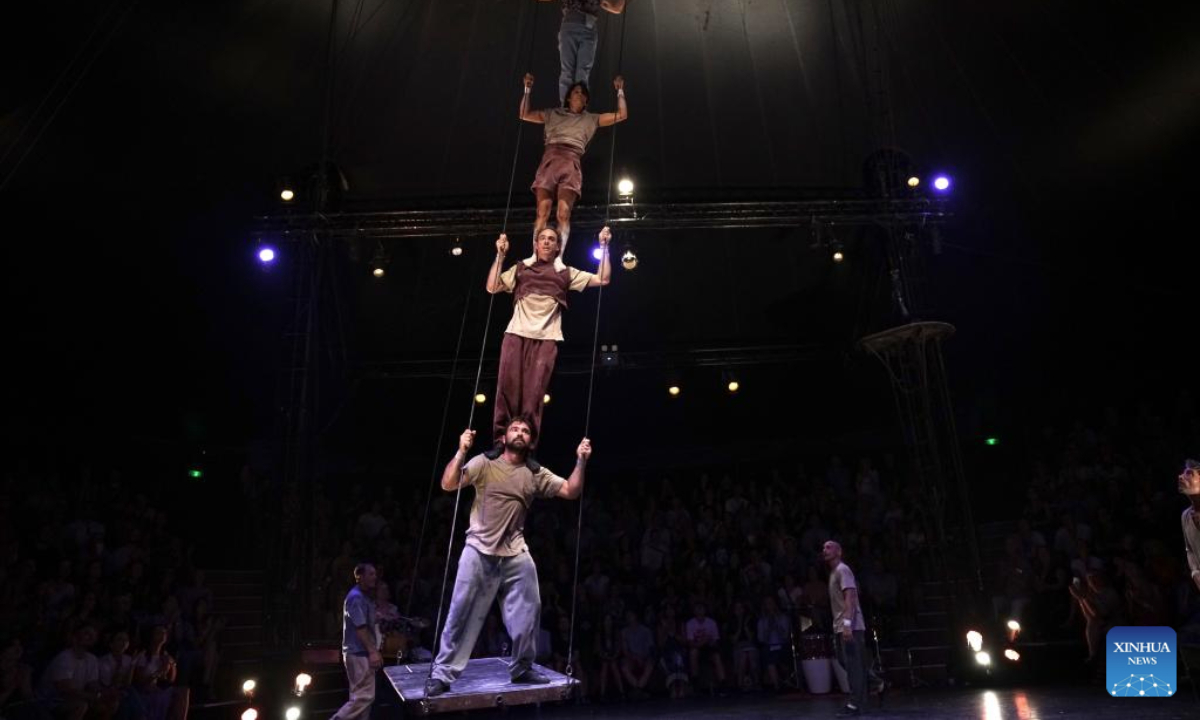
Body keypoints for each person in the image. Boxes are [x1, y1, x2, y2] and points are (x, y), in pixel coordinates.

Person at [424, 417, 591, 697]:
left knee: (529, 611)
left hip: (515, 552)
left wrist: (581, 461)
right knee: (460, 613)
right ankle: (442, 674)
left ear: (531, 442)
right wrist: (461, 450)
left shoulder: (535, 473)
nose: (520, 433)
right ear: (503, 438)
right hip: (478, 550)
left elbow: (570, 491)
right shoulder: (484, 463)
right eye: (515, 429)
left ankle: (522, 668)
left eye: (525, 431)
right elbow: (448, 483)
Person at [486, 228, 611, 446]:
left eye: (551, 239)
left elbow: (602, 278)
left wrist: (604, 247)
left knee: (535, 394)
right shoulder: (521, 268)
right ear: (535, 244)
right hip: (516, 333)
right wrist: (500, 255)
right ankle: (500, 441)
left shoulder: (565, 272)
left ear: (557, 247)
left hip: (546, 338)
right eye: (542, 239)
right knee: (507, 388)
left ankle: (528, 446)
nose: (546, 242)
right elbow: (492, 286)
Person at [519, 72, 627, 263]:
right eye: (576, 92)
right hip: (550, 159)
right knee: (542, 211)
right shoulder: (553, 114)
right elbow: (524, 114)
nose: (579, 94)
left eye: (583, 93)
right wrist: (527, 89)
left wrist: (620, 91)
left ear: (586, 101)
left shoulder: (591, 118)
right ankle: (535, 254)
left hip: (571, 161)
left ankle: (559, 257)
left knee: (563, 213)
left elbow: (622, 115)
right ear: (568, 97)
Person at [823, 541, 883, 717]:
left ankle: (855, 704)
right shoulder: (833, 573)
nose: (824, 550)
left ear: (839, 552)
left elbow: (850, 597)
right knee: (847, 662)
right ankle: (876, 682)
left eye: (829, 547)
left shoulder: (843, 570)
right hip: (840, 626)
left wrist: (848, 624)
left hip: (851, 626)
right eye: (823, 548)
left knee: (853, 666)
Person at [538, 0, 627, 103]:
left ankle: (578, 108)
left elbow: (618, 8)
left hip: (585, 24)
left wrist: (604, 3)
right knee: (570, 71)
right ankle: (566, 108)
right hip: (574, 22)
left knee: (580, 72)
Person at [330, 564, 381, 720]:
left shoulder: (364, 597)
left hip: (360, 652)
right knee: (364, 696)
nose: (375, 577)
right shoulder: (356, 597)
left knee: (362, 700)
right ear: (360, 577)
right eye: (371, 574)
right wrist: (373, 652)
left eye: (375, 574)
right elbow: (361, 628)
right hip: (358, 653)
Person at [1179, 458, 1200, 592]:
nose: (1180, 476)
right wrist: (1195, 573)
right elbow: (1190, 550)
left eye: (1189, 473)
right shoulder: (1185, 516)